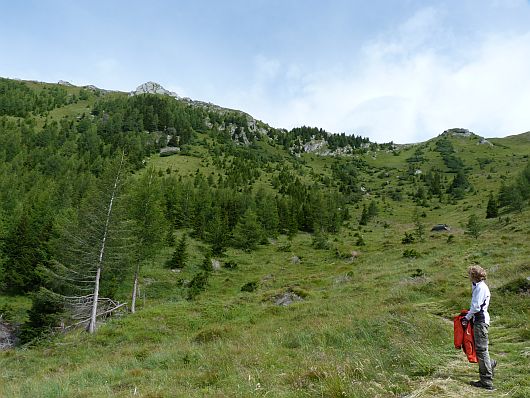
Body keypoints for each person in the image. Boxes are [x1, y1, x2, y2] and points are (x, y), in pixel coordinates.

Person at [461, 265, 497, 390]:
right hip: (480, 320)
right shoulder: (478, 286)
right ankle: (490, 365)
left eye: (470, 274)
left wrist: (467, 318)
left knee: (481, 350)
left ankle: (486, 381)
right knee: (481, 349)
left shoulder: (481, 288)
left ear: (474, 276)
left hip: (480, 321)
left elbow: (476, 307)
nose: (468, 276)